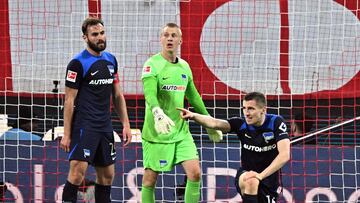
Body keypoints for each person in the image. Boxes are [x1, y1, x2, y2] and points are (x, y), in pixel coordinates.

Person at [141, 22, 223, 203]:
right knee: (150, 179)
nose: (169, 38)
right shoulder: (152, 65)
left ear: (180, 41)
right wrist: (157, 113)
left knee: (195, 173)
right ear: (160, 39)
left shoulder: (184, 67)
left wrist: (209, 123)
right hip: (157, 131)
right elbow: (150, 94)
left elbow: (194, 98)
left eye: (174, 35)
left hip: (180, 131)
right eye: (166, 35)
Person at [60, 17, 132, 203]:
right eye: (94, 35)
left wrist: (126, 124)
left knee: (108, 176)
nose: (100, 38)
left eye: (102, 33)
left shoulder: (111, 60)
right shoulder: (77, 63)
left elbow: (117, 95)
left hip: (105, 127)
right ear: (85, 37)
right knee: (77, 173)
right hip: (84, 126)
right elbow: (69, 100)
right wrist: (67, 134)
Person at [178, 92, 291, 203]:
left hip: (269, 178)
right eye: (244, 108)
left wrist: (260, 176)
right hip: (245, 174)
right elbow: (215, 123)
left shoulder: (275, 122)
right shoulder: (241, 124)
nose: (246, 113)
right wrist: (193, 115)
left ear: (263, 110)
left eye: (251, 108)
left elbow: (284, 155)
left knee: (254, 181)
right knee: (251, 180)